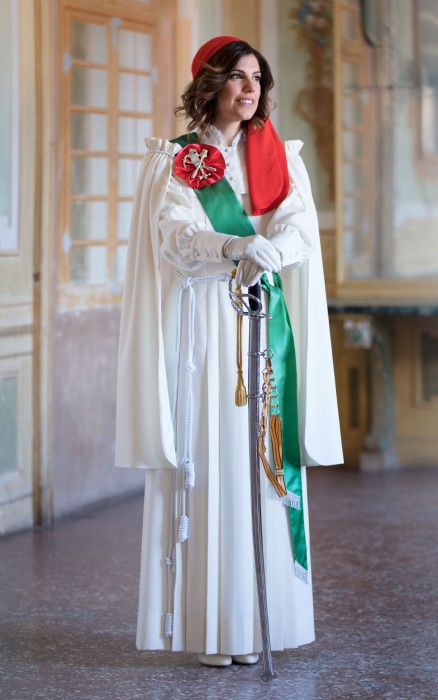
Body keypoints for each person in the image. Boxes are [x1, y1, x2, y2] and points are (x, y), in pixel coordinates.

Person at [115, 36, 342, 668]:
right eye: (238, 77)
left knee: (261, 460)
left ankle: (258, 618)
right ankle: (215, 627)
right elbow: (174, 234)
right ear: (211, 84)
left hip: (263, 316)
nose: (250, 89)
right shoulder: (177, 159)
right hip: (205, 324)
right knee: (212, 456)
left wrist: (273, 251)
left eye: (257, 79)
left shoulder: (282, 157)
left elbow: (298, 226)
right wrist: (232, 245)